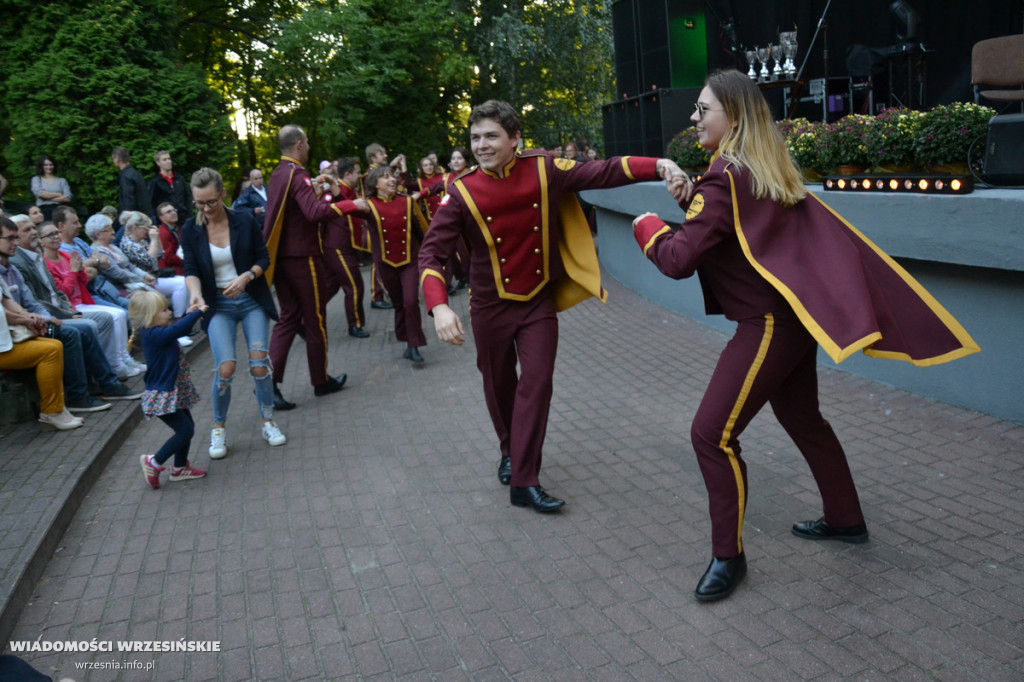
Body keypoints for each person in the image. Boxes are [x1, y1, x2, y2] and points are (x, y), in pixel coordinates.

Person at [631, 69, 980, 601]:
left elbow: (678, 260)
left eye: (704, 109)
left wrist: (648, 227)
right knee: (803, 419)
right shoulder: (755, 170)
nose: (694, 117)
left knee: (710, 435)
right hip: (792, 322)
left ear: (735, 117)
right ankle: (845, 519)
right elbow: (740, 237)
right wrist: (690, 204)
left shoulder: (726, 176)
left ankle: (729, 558)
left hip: (768, 326)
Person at [419, 99, 683, 513]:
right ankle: (510, 450)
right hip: (488, 307)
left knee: (537, 384)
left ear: (515, 139)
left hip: (537, 301)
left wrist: (661, 165)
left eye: (491, 136)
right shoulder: (461, 190)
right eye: (475, 138)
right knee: (499, 386)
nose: (482, 145)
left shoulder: (544, 168)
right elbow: (430, 255)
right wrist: (439, 307)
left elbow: (604, 170)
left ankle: (524, 479)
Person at [183, 167, 286, 457]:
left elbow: (263, 258)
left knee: (259, 364)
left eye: (211, 202)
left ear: (223, 194)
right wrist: (195, 293)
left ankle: (268, 420)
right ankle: (218, 429)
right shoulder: (191, 228)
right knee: (225, 367)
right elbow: (190, 269)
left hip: (251, 298)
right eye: (199, 203)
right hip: (218, 306)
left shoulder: (243, 219)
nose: (206, 208)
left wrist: (246, 277)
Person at [0, 217, 137, 413]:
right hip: (19, 330)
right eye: (14, 236)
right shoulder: (20, 262)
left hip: (41, 319)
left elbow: (34, 301)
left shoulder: (18, 264)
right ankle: (77, 396)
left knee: (89, 325)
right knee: (75, 331)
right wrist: (46, 317)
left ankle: (105, 383)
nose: (33, 233)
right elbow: (23, 306)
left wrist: (52, 315)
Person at [263, 124, 349, 408]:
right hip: (303, 258)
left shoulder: (278, 174)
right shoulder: (296, 174)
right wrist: (347, 205)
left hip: (281, 260)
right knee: (315, 320)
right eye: (308, 141)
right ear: (299, 144)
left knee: (288, 318)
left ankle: (269, 386)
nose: (309, 146)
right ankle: (320, 380)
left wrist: (311, 189)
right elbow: (313, 214)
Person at [344, 165, 427, 362]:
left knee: (410, 302)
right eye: (384, 177)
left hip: (409, 260)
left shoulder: (407, 201)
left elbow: (419, 231)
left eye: (392, 176)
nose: (391, 180)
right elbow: (344, 205)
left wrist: (430, 255)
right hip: (385, 263)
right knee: (399, 303)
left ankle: (414, 345)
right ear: (375, 184)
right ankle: (405, 337)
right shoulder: (369, 205)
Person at [39, 220, 142, 378]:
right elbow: (63, 293)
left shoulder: (66, 255)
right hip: (71, 307)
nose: (56, 237)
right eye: (50, 235)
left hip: (83, 301)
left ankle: (123, 358)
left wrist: (80, 271)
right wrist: (75, 271)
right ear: (41, 241)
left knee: (120, 314)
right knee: (113, 316)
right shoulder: (45, 264)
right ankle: (114, 363)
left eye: (57, 233)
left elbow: (84, 279)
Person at [132, 291, 207, 488]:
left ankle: (180, 468)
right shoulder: (153, 335)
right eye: (164, 310)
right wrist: (196, 314)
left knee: (187, 427)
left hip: (174, 391)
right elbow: (178, 330)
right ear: (150, 316)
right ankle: (154, 462)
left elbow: (178, 329)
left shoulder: (159, 332)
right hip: (162, 395)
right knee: (185, 431)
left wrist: (187, 316)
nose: (169, 312)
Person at [0, 272, 82, 431]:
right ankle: (50, 411)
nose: (14, 244)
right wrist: (25, 320)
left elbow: (5, 300)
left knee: (55, 345)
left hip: (6, 340)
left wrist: (29, 315)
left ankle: (58, 408)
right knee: (49, 350)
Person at [321, 157, 369, 338]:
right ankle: (355, 325)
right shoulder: (334, 191)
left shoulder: (350, 190)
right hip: (336, 247)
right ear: (348, 174)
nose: (359, 175)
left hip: (345, 246)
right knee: (355, 285)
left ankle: (304, 319)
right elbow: (322, 212)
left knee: (330, 287)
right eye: (357, 172)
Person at [117, 210, 190, 322]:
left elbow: (160, 254)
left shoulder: (140, 242)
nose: (148, 230)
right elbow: (149, 262)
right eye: (146, 227)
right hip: (141, 282)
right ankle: (179, 319)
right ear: (135, 228)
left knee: (185, 281)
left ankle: (184, 317)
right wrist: (154, 239)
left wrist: (156, 239)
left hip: (153, 278)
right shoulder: (129, 244)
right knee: (180, 284)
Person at [54, 205, 129, 310]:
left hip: (106, 289)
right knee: (124, 313)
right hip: (90, 294)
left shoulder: (78, 241)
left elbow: (106, 262)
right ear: (61, 226)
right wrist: (97, 262)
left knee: (136, 307)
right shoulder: (60, 249)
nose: (80, 225)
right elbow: (86, 275)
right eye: (75, 223)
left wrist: (91, 262)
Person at [147, 150, 190, 221]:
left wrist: (189, 214)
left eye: (169, 159)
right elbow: (151, 203)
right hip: (166, 221)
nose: (168, 161)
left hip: (183, 218)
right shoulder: (155, 182)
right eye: (164, 160)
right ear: (158, 163)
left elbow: (187, 197)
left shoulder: (179, 179)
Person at [30, 155, 73, 222]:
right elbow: (40, 194)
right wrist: (59, 194)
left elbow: (67, 197)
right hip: (43, 211)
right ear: (42, 166)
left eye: (51, 164)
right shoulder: (37, 179)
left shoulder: (62, 181)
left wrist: (46, 198)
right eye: (46, 165)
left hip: (60, 210)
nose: (49, 167)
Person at [155, 202, 186, 275]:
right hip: (172, 271)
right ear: (161, 218)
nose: (173, 213)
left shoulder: (178, 229)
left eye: (174, 210)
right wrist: (189, 260)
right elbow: (168, 258)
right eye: (169, 212)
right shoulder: (163, 233)